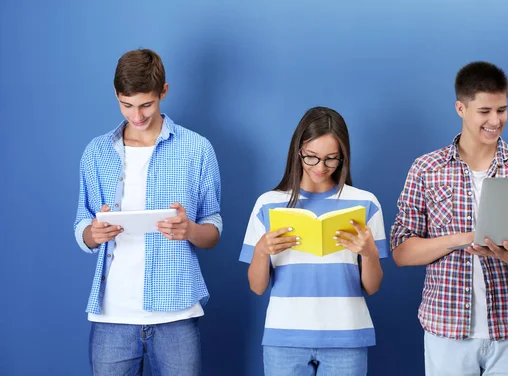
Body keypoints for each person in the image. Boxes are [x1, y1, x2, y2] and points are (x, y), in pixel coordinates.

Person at [390, 61, 508, 376]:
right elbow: (402, 252)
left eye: (502, 110)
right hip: (446, 328)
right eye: (484, 111)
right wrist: (464, 238)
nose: (495, 121)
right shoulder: (426, 169)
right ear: (461, 108)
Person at [73, 48, 222, 375]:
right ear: (116, 95)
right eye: (126, 105)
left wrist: (190, 230)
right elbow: (82, 223)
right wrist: (93, 233)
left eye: (146, 105)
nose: (136, 116)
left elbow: (213, 227)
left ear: (163, 92)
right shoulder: (96, 153)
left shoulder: (197, 149)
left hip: (176, 313)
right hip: (112, 314)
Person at [240, 106, 388, 376]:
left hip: (347, 336)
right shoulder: (269, 204)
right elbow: (257, 287)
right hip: (283, 337)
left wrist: (369, 254)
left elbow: (373, 286)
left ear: (343, 157)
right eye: (312, 158)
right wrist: (261, 252)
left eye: (331, 159)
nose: (321, 167)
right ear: (298, 151)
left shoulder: (366, 203)